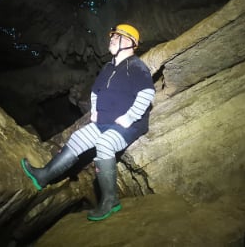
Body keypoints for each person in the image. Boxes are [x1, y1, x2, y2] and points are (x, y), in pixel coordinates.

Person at [21, 23, 155, 221]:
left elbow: (147, 93)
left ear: (128, 42)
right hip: (104, 121)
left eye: (116, 38)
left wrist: (130, 117)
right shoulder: (109, 67)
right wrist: (94, 111)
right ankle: (44, 176)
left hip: (129, 125)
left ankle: (110, 200)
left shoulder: (136, 66)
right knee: (77, 138)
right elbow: (95, 91)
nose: (111, 40)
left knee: (105, 144)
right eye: (112, 37)